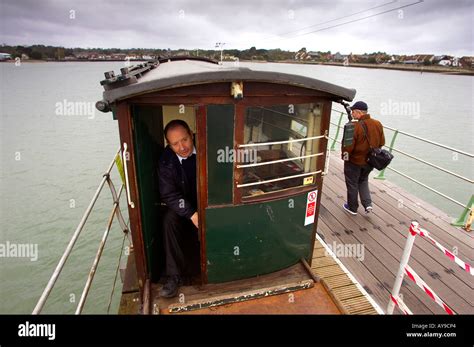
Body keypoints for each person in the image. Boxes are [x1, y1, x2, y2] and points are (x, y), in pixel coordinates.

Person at [158, 119, 200, 298]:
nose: (182, 147)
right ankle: (174, 276)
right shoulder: (166, 160)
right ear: (169, 145)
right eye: (175, 144)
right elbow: (169, 194)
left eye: (185, 140)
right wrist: (191, 213)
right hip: (183, 205)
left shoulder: (207, 145)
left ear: (191, 135)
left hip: (207, 200)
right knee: (169, 219)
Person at [341, 101, 385, 216]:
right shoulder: (378, 124)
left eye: (353, 112)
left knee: (352, 183)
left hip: (354, 162)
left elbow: (347, 147)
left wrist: (345, 158)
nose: (352, 114)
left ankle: (352, 207)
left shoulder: (353, 126)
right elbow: (381, 143)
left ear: (359, 112)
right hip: (370, 162)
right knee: (363, 180)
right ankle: (368, 204)